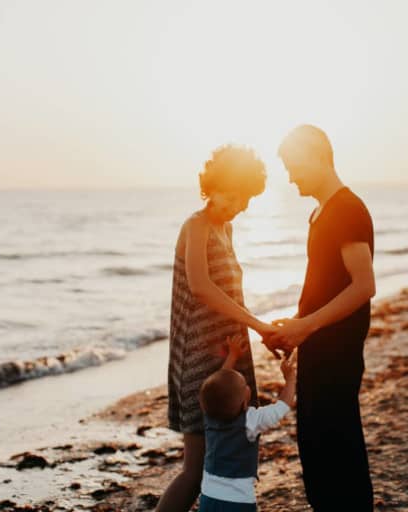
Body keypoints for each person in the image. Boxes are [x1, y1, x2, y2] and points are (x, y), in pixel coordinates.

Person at [157, 145, 278, 512]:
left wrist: (258, 333)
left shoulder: (224, 227)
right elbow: (201, 286)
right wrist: (257, 324)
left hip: (230, 355)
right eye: (233, 196)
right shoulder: (196, 226)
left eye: (245, 199)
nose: (239, 205)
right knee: (195, 471)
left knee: (227, 460)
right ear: (213, 187)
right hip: (198, 360)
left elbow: (228, 293)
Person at [267, 124, 376, 511]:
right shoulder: (319, 213)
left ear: (316, 156)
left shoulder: (347, 209)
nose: (291, 176)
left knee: (338, 455)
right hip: (317, 349)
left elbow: (363, 286)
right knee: (316, 456)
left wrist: (306, 326)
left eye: (293, 166)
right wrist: (294, 327)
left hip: (338, 354)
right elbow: (323, 285)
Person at [198, 335, 296, 511]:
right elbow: (281, 407)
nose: (247, 386)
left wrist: (232, 356)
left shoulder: (209, 416)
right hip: (238, 501)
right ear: (244, 402)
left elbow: (221, 383)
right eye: (245, 386)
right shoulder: (250, 421)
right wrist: (290, 380)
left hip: (208, 496)